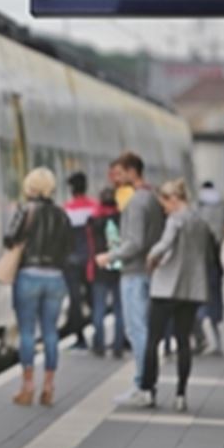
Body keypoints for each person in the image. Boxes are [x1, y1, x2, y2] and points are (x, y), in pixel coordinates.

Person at [95, 152, 165, 406]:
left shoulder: (136, 203)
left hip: (134, 274)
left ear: (132, 172)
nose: (114, 178)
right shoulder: (153, 198)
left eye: (119, 173)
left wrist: (109, 256)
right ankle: (146, 384)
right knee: (143, 330)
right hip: (148, 272)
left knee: (137, 331)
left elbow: (134, 242)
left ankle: (142, 385)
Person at [139, 179, 212, 411]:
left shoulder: (175, 220)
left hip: (166, 288)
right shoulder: (199, 220)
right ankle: (181, 394)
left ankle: (149, 390)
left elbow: (164, 244)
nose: (164, 209)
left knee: (153, 340)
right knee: (183, 342)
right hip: (190, 290)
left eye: (165, 204)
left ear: (173, 199)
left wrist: (151, 257)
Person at [3, 167, 74, 407]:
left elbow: (9, 238)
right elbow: (69, 248)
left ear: (30, 187)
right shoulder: (62, 215)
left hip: (28, 276)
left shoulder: (26, 210)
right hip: (55, 278)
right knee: (50, 332)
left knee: (27, 332)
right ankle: (49, 387)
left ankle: (27, 386)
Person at [87, 187, 124, 358]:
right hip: (119, 268)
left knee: (99, 308)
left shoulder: (93, 220)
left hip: (99, 267)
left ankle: (99, 345)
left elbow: (90, 245)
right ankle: (118, 346)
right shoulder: (122, 218)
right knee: (119, 309)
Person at [62, 171, 97, 351]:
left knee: (75, 301)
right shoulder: (95, 207)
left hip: (71, 261)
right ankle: (99, 335)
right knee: (94, 299)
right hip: (91, 260)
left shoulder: (66, 209)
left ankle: (80, 338)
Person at [197, 181, 224, 356]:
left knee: (199, 307)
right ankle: (217, 343)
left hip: (203, 262)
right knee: (214, 306)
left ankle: (200, 339)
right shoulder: (222, 202)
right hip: (215, 255)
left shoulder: (200, 203)